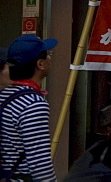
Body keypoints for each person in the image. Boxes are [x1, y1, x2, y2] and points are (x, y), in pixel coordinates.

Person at [0, 35, 58, 181]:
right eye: (48, 55)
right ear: (40, 64)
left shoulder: (4, 95)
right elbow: (40, 164)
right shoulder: (33, 104)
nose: (50, 58)